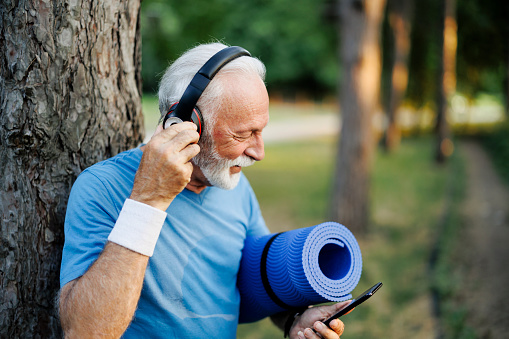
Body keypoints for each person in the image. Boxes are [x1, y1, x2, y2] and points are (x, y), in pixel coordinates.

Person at [59, 42, 350, 339]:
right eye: (243, 134)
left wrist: (294, 320)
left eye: (261, 130)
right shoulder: (102, 187)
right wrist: (149, 200)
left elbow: (253, 281)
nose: (259, 152)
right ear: (186, 123)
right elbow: (85, 332)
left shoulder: (233, 185)